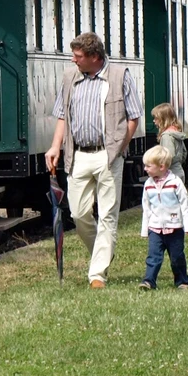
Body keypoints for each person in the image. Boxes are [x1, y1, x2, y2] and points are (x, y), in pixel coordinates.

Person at [45, 32, 143, 289]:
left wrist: (121, 146)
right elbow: (62, 116)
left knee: (108, 215)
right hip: (78, 155)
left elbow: (133, 117)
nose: (73, 60)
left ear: (94, 57)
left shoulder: (120, 76)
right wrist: (55, 147)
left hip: (108, 154)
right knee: (78, 213)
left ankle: (97, 274)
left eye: (78, 56)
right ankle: (104, 252)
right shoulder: (70, 79)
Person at [138, 146, 188, 290]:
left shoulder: (175, 182)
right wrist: (145, 229)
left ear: (161, 167)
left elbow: (185, 204)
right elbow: (146, 208)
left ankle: (182, 280)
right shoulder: (148, 185)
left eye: (148, 166)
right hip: (155, 228)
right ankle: (149, 281)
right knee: (153, 257)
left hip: (174, 228)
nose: (145, 169)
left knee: (177, 257)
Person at [152, 103, 188, 180]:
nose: (154, 121)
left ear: (163, 119)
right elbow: (184, 153)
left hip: (169, 174)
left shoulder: (166, 136)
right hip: (179, 171)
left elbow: (168, 157)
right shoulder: (176, 133)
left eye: (156, 118)